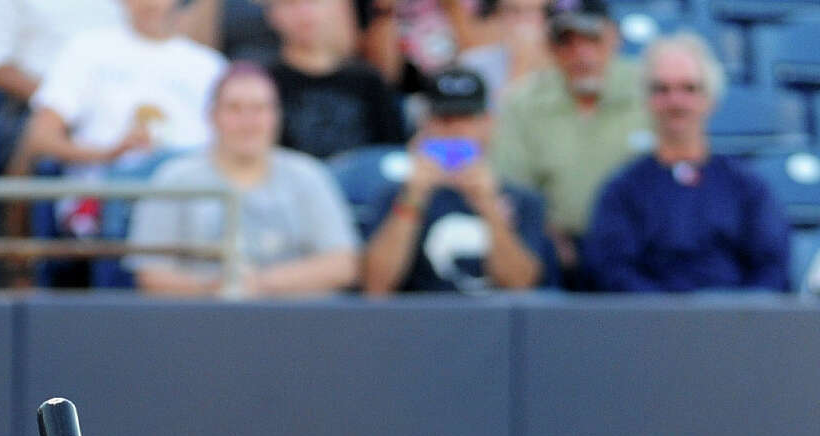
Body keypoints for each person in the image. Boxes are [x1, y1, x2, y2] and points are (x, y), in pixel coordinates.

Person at [127, 63, 361, 297]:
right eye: (234, 109)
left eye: (259, 109)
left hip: (296, 324)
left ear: (276, 116)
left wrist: (259, 284)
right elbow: (150, 273)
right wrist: (214, 289)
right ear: (212, 115)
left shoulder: (308, 175)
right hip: (200, 322)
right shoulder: (175, 178)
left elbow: (342, 264)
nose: (248, 121)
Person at [583, 33, 789, 293]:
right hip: (648, 326)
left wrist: (737, 317)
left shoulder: (749, 188)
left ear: (711, 99)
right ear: (646, 100)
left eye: (689, 88)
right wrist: (669, 318)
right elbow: (611, 270)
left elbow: (771, 269)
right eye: (662, 89)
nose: (675, 101)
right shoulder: (622, 191)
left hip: (735, 325)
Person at [490, 0, 648, 284]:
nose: (581, 54)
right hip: (555, 246)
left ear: (614, 38)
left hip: (637, 245)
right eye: (567, 43)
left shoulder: (650, 91)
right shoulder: (524, 102)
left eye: (592, 39)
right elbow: (514, 187)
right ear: (551, 48)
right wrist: (549, 236)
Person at [362, 64, 551, 293]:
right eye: (444, 118)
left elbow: (520, 284)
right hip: (421, 322)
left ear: (488, 123)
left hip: (494, 324)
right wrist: (414, 196)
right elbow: (376, 285)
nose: (455, 129)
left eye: (466, 117)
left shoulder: (524, 199)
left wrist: (489, 207)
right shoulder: (395, 195)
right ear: (426, 123)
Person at [21, 0, 225, 178]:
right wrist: (110, 154)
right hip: (106, 194)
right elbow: (41, 138)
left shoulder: (209, 65)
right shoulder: (87, 49)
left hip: (192, 197)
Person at [266, 0, 407, 160]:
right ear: (272, 13)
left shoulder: (367, 81)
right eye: (290, 4)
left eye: (313, 2)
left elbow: (392, 153)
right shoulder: (263, 83)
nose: (304, 13)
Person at [458, 0, 550, 108]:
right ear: (498, 14)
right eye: (513, 11)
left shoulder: (565, 61)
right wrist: (520, 64)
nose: (523, 20)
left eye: (534, 11)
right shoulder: (473, 64)